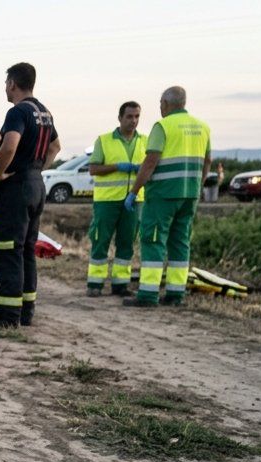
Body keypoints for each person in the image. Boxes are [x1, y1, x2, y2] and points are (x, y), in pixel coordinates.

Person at [0, 62, 61, 329]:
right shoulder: (44, 112)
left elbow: (10, 144)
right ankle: (26, 311)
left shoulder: (18, 112)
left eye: (6, 83)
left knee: (7, 250)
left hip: (16, 189)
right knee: (26, 250)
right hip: (36, 184)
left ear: (12, 83)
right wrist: (35, 169)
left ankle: (7, 314)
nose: (5, 88)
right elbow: (55, 147)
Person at [124, 86, 211, 308]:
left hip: (163, 194)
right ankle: (175, 294)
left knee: (153, 240)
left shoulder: (162, 126)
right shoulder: (202, 127)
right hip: (189, 194)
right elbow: (207, 161)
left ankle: (148, 294)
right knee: (180, 243)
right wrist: (197, 187)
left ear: (165, 103)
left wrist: (134, 192)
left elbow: (151, 161)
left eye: (160, 103)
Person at [86, 101, 145, 297]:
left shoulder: (145, 141)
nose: (133, 121)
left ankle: (120, 284)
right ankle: (95, 284)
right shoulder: (104, 140)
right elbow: (93, 169)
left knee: (127, 242)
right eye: (129, 116)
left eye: (137, 116)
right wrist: (117, 166)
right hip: (107, 201)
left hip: (134, 200)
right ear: (120, 118)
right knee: (100, 241)